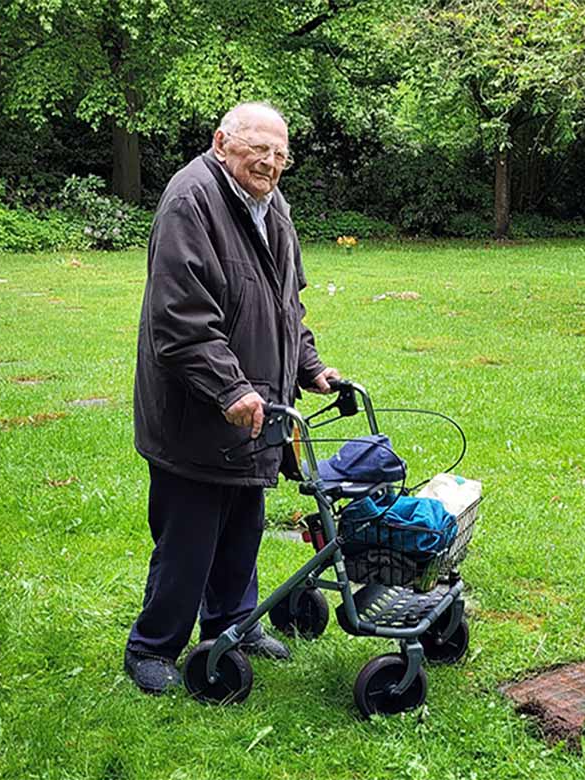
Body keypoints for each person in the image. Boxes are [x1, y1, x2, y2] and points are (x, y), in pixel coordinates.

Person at [126, 101, 341, 694]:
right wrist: (229, 387)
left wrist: (310, 367)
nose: (270, 163)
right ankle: (153, 647)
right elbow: (182, 319)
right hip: (198, 409)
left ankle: (231, 625)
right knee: (191, 532)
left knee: (244, 522)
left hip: (257, 408)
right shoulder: (190, 200)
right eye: (258, 151)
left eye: (280, 154)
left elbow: (284, 305)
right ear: (223, 143)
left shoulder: (273, 209)